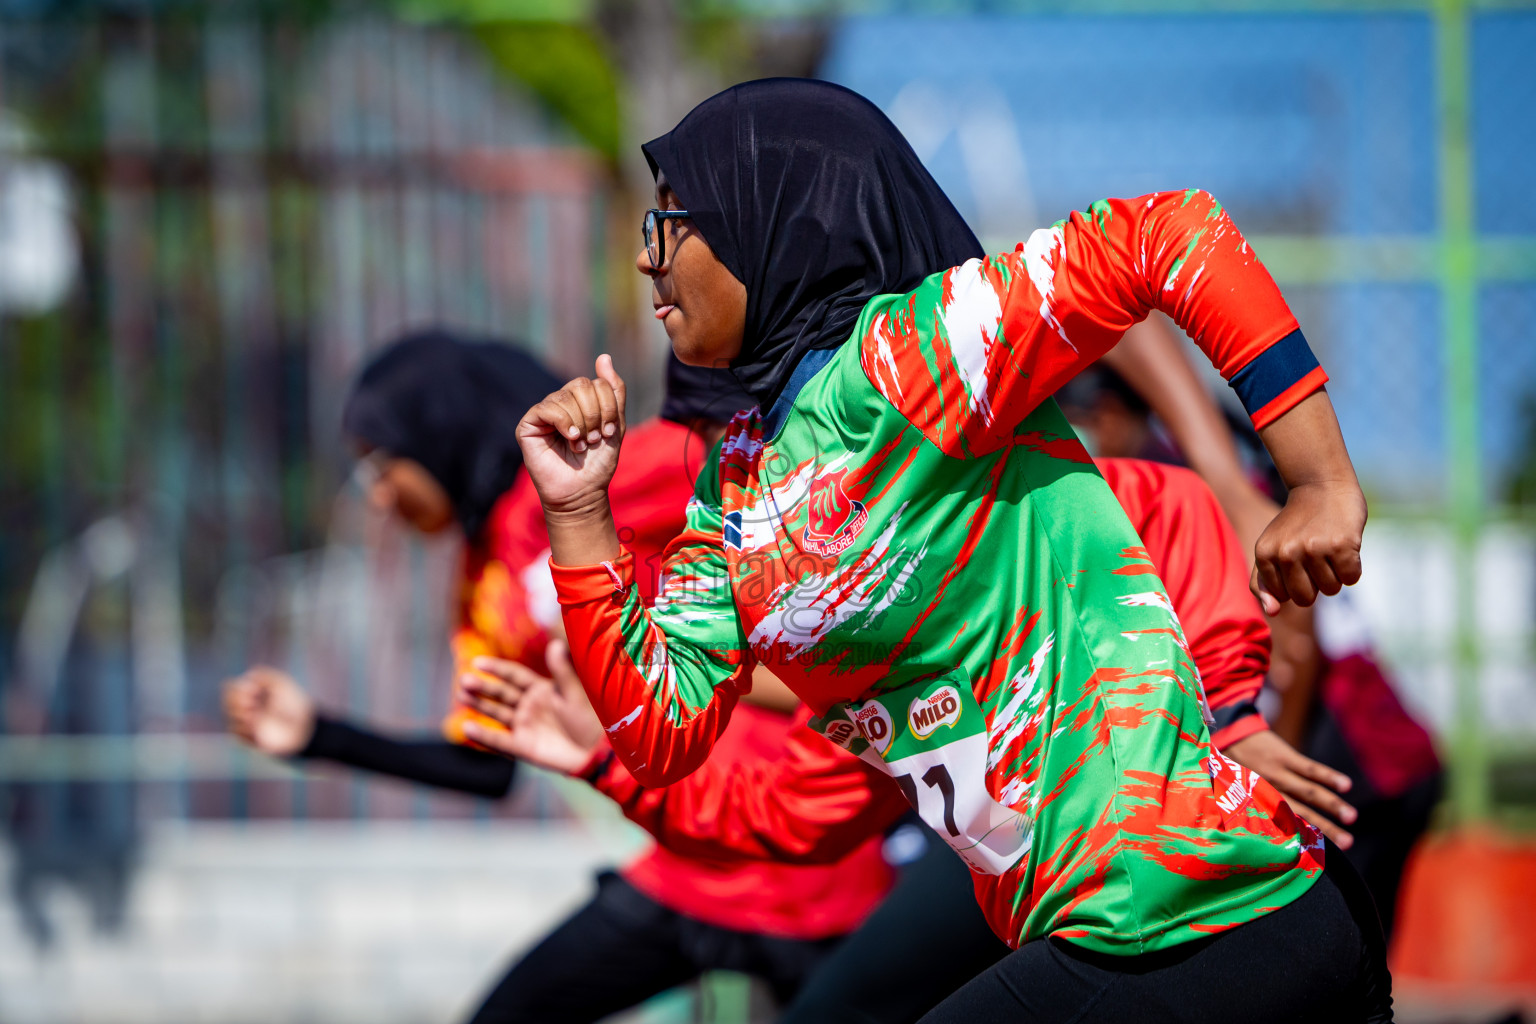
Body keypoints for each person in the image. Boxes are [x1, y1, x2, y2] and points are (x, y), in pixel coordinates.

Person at [501, 79, 1387, 1022]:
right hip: (1123, 936)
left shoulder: (907, 362)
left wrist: (1317, 481)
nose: (647, 257)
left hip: (1195, 917)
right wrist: (579, 515)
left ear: (770, 222)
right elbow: (655, 730)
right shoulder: (737, 488)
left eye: (672, 221)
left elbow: (1171, 234)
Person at [460, 455, 1369, 1022]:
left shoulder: (993, 512)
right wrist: (598, 761)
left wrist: (1236, 710)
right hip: (1085, 919)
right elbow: (780, 815)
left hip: (1216, 915)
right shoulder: (857, 688)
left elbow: (1172, 496)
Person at [223, 328, 894, 1023]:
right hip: (686, 870)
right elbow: (488, 760)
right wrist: (317, 735)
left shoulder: (609, 473)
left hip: (815, 872)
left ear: (436, 430)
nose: (376, 496)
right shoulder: (485, 578)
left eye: (379, 464)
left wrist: (670, 659)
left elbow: (791, 507)